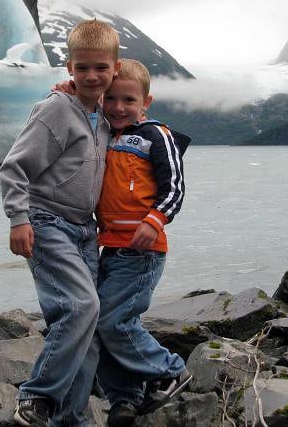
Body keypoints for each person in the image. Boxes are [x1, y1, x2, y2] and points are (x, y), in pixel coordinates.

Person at [0, 19, 121, 427]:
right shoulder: (57, 109)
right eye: (82, 67)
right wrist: (18, 219)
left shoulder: (101, 116)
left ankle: (71, 418)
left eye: (100, 68)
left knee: (84, 325)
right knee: (81, 307)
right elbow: (13, 168)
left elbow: (133, 94)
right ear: (69, 67)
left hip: (85, 231)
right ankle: (36, 398)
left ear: (114, 69)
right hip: (47, 220)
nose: (91, 76)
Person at [94, 59, 192, 426]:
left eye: (129, 100)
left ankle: (170, 369)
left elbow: (175, 187)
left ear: (145, 102)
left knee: (113, 321)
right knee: (100, 323)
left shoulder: (156, 135)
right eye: (111, 99)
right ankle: (125, 398)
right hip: (110, 247)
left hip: (142, 250)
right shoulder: (105, 134)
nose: (119, 107)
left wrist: (156, 219)